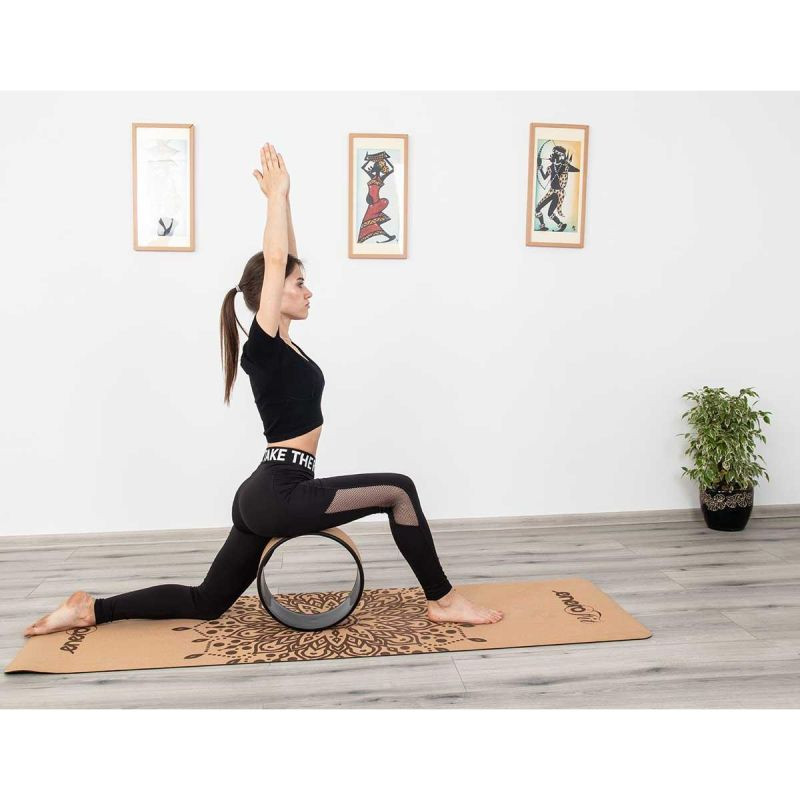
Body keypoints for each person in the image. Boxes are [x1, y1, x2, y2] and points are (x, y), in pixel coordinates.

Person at [24, 142, 503, 638]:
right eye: (300, 284)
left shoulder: (283, 344)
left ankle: (91, 609)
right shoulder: (265, 344)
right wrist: (275, 197)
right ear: (272, 295)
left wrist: (286, 204)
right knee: (399, 491)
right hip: (281, 492)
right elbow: (276, 260)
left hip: (265, 488)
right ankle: (443, 599)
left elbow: (284, 257)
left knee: (208, 601)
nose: (308, 290)